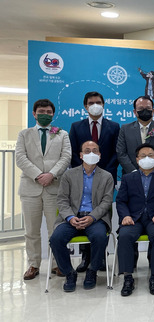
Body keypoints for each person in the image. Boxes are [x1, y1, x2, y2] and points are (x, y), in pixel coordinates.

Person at [15, 98, 71, 280]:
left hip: (54, 187)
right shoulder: (24, 134)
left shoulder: (62, 134)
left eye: (48, 112)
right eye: (41, 111)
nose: (45, 115)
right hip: (30, 188)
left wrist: (51, 174)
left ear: (53, 114)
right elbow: (21, 157)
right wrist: (39, 175)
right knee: (31, 230)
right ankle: (33, 264)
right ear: (34, 113)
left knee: (56, 230)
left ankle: (58, 264)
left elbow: (66, 157)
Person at [49, 141, 113, 292]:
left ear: (99, 155)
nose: (91, 154)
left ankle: (92, 270)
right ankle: (69, 273)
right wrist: (71, 218)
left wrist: (92, 217)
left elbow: (106, 201)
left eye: (95, 151)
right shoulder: (68, 175)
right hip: (72, 217)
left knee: (100, 237)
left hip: (95, 219)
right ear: (81, 155)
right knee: (55, 239)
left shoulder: (107, 176)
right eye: (87, 151)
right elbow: (62, 200)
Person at [68, 91, 120, 273]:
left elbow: (116, 153)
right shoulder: (76, 126)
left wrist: (105, 172)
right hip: (82, 178)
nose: (95, 105)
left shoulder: (114, 126)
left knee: (102, 215)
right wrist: (82, 170)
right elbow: (74, 152)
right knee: (83, 212)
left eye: (98, 102)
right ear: (85, 106)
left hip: (106, 178)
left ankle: (100, 257)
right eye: (91, 102)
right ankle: (84, 258)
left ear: (103, 105)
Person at [116, 143, 154, 296]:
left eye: (151, 155)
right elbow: (121, 200)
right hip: (133, 219)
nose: (147, 158)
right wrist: (126, 216)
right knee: (124, 235)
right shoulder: (128, 178)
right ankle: (128, 277)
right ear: (137, 159)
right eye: (143, 156)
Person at [116, 95, 154, 175]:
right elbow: (121, 153)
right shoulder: (125, 129)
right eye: (141, 109)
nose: (145, 111)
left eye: (148, 109)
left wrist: (149, 170)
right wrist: (133, 171)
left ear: (153, 111)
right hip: (131, 175)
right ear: (135, 112)